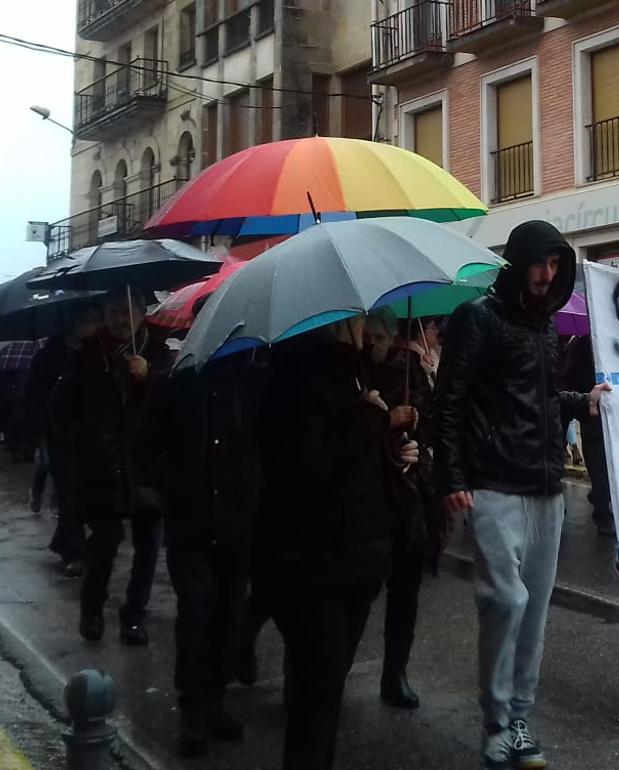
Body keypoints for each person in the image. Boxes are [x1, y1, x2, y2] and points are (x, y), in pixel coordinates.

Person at [435, 220, 609, 770]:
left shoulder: (546, 328)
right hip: (492, 486)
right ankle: (495, 722)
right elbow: (450, 402)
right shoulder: (477, 318)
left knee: (533, 609)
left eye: (557, 265)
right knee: (505, 602)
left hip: (545, 489)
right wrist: (452, 479)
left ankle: (517, 720)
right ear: (518, 262)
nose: (547, 273)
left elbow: (542, 397)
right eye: (540, 262)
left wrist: (584, 401)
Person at [255, 317, 418, 770]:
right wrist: (368, 419)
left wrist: (394, 452)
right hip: (312, 564)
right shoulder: (291, 376)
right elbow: (308, 464)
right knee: (317, 698)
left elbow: (356, 461)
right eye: (358, 318)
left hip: (356, 560)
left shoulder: (354, 368)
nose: (364, 325)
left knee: (326, 691)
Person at [134, 344, 267, 757]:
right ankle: (192, 707)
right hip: (191, 524)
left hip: (236, 521)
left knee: (229, 611)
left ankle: (215, 699)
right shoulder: (173, 383)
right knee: (196, 608)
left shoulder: (252, 379)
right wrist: (173, 489)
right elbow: (143, 448)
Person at [51, 290, 170, 645]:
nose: (121, 320)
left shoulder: (158, 352)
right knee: (103, 545)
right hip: (102, 466)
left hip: (146, 466)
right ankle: (92, 608)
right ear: (105, 315)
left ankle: (134, 616)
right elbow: (60, 410)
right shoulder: (87, 356)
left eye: (127, 312)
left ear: (141, 313)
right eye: (114, 312)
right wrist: (84, 442)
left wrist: (148, 378)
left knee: (148, 545)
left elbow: (171, 405)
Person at [363, 309, 438, 710]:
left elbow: (432, 427)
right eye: (368, 334)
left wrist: (416, 446)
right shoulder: (352, 373)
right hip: (366, 501)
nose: (373, 342)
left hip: (408, 501)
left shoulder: (409, 371)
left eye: (380, 335)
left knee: (405, 591)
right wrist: (386, 425)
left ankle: (396, 672)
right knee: (360, 591)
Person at [35, 306, 103, 575]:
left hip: (93, 437)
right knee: (69, 494)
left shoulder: (97, 353)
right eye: (90, 320)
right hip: (61, 437)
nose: (95, 326)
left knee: (80, 496)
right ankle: (74, 550)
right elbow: (37, 397)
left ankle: (65, 543)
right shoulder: (49, 357)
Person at [561, 334, 614, 537]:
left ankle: (601, 497)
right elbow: (571, 379)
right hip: (595, 417)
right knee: (600, 467)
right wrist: (590, 392)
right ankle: (602, 514)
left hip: (618, 416)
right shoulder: (583, 344)